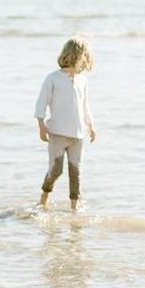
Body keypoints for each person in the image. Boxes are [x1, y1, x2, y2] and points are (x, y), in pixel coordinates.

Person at [35, 37, 97, 211]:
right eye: (85, 57)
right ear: (78, 56)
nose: (86, 62)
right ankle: (44, 196)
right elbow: (41, 103)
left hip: (78, 135)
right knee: (56, 170)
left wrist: (91, 126)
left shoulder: (82, 80)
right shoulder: (53, 78)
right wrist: (41, 125)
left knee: (76, 172)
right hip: (57, 133)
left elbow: (85, 106)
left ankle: (74, 208)